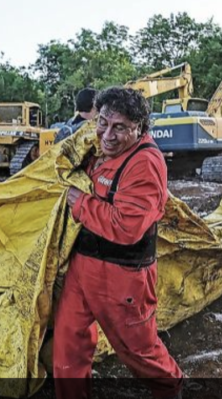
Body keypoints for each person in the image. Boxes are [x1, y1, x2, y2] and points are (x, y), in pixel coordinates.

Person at [55, 87, 183, 399]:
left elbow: (127, 227)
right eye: (102, 123)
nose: (107, 135)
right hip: (83, 267)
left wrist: (79, 202)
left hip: (122, 278)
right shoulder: (97, 150)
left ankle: (170, 387)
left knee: (138, 351)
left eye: (119, 127)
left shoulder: (145, 164)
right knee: (68, 345)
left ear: (139, 128)